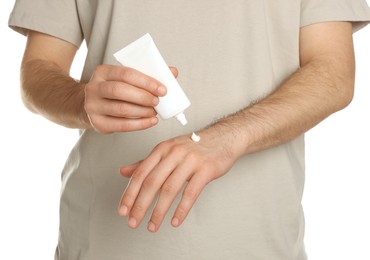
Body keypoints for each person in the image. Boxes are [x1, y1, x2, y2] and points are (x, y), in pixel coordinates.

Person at [8, 0, 370, 259]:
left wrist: (227, 139)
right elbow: (38, 70)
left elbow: (333, 74)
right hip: (104, 244)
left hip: (258, 243)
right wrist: (81, 100)